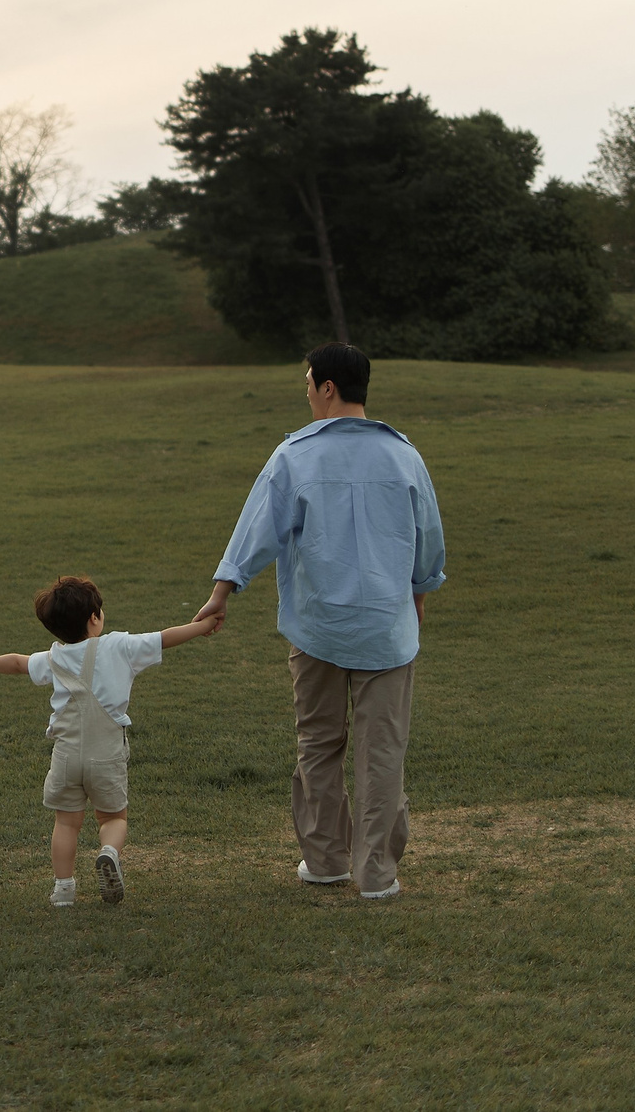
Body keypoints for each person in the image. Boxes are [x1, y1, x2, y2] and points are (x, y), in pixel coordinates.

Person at [196, 343, 445, 901]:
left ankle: (326, 860)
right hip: (388, 628)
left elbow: (257, 530)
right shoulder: (404, 455)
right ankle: (377, 874)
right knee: (381, 751)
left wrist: (222, 592)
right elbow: (428, 537)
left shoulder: (294, 455)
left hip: (318, 629)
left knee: (319, 743)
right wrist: (421, 593)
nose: (306, 390)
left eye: (308, 381)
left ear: (328, 387)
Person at [0, 576, 221, 907]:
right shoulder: (119, 646)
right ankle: (108, 852)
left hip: (66, 756)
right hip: (107, 754)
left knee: (66, 822)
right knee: (113, 818)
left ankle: (63, 889)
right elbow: (164, 639)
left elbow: (17, 663)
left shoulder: (55, 657)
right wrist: (202, 626)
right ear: (94, 618)